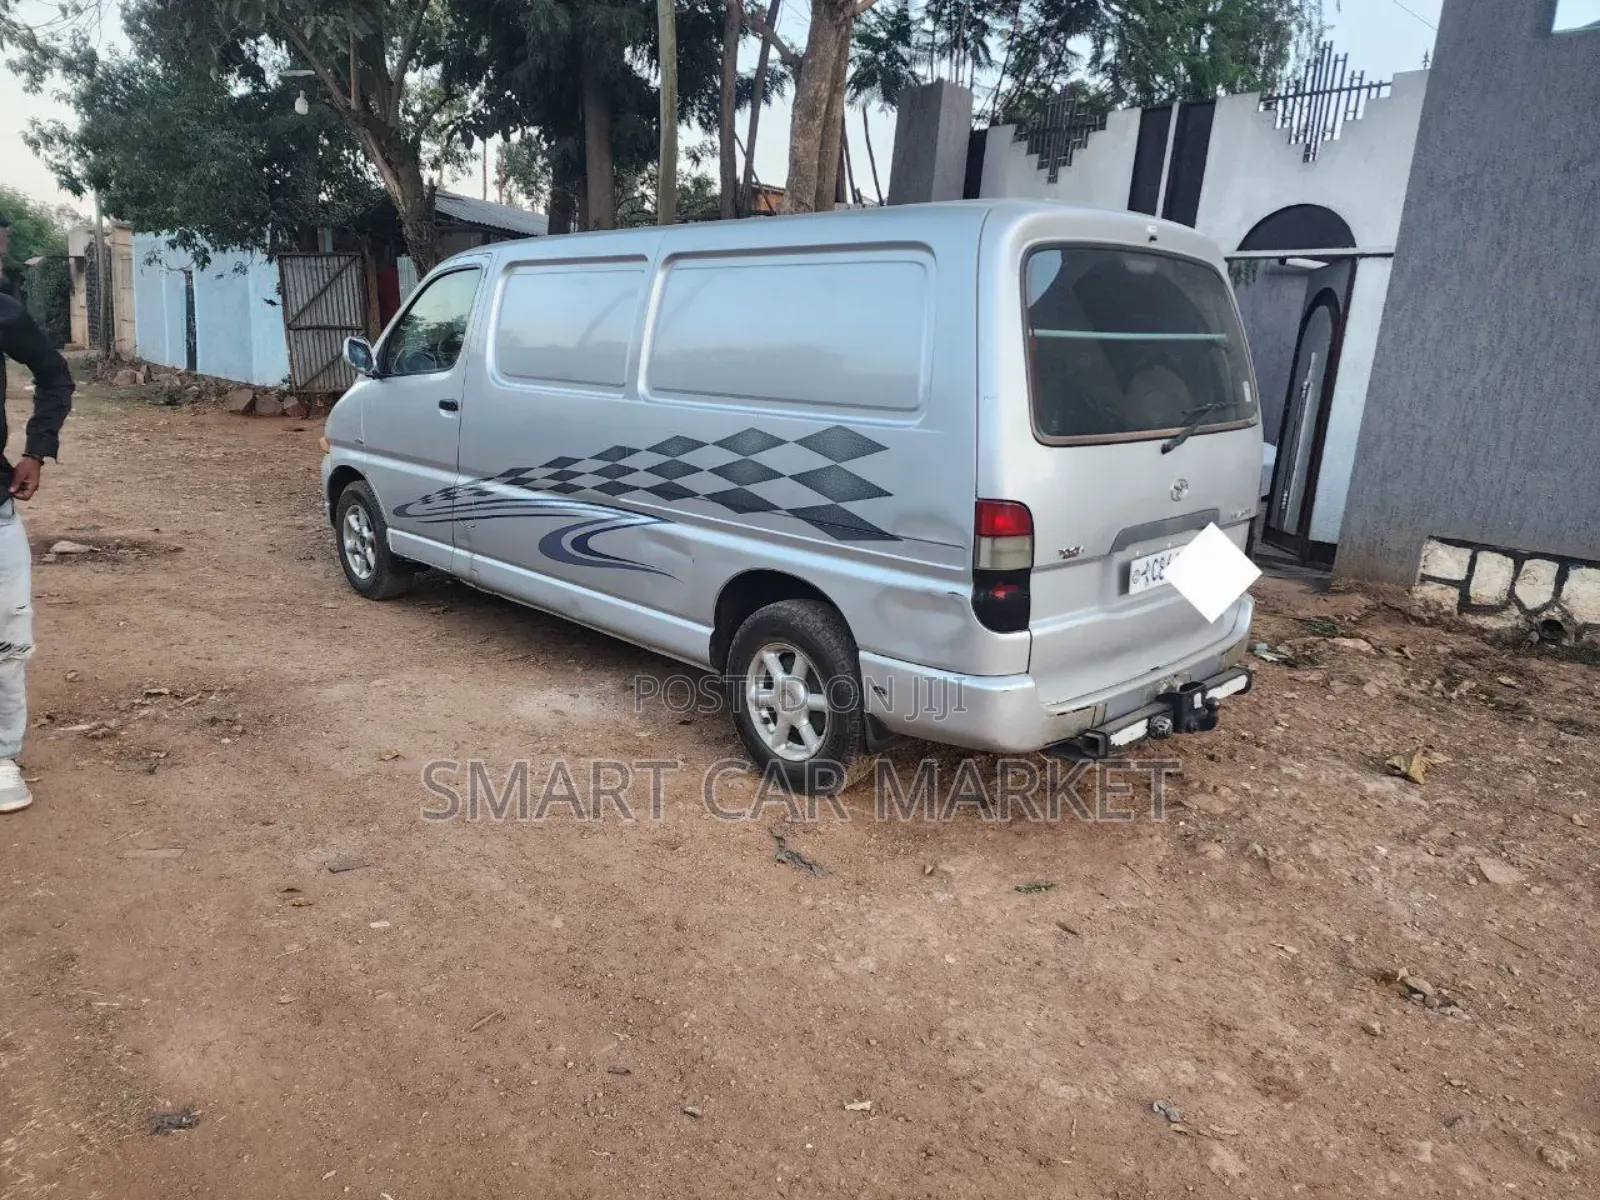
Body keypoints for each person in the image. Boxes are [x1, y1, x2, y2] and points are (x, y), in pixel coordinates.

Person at [0, 209, 75, 812]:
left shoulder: (3, 310)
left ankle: (1, 757)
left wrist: (37, 451)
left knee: (6, 638)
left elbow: (54, 376)